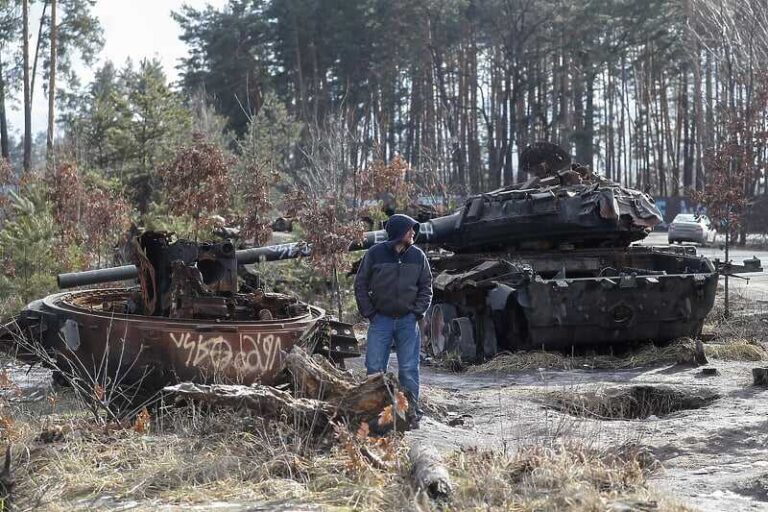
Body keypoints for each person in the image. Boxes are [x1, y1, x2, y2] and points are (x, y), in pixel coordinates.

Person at [354, 214, 433, 427]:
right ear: (400, 233)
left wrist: (417, 313)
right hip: (381, 320)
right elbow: (360, 284)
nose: (413, 233)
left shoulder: (418, 256)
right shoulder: (374, 254)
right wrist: (370, 313)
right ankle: (376, 414)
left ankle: (410, 412)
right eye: (410, 230)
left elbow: (426, 287)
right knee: (374, 368)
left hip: (408, 321)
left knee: (408, 368)